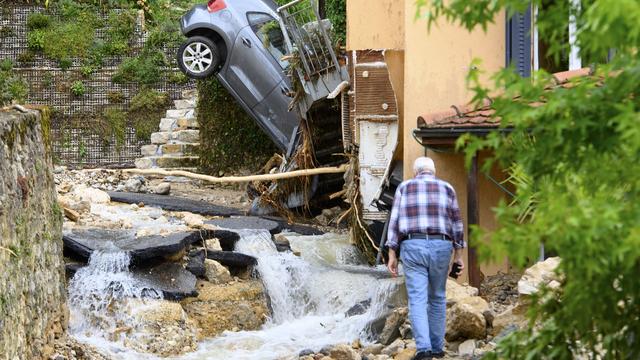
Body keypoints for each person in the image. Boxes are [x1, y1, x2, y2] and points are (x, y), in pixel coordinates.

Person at [386, 157, 465, 360]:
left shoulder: (404, 187)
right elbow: (457, 223)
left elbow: (394, 222)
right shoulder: (447, 188)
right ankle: (438, 349)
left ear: (415, 172)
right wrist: (459, 256)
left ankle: (424, 350)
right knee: (438, 296)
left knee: (418, 299)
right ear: (433, 171)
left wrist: (392, 253)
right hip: (442, 246)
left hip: (413, 245)